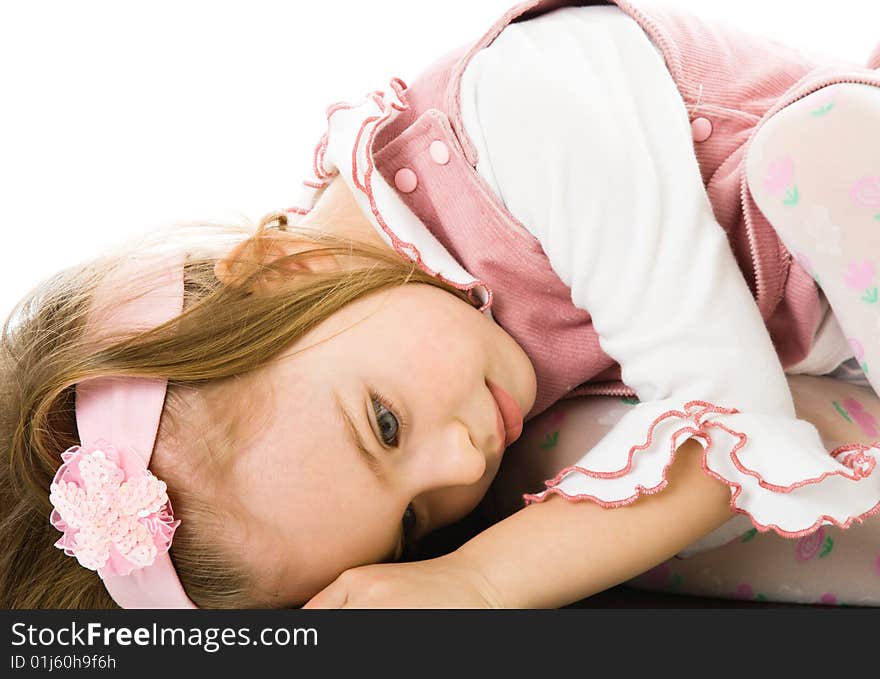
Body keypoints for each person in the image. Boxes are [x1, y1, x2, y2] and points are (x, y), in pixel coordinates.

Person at [2, 0, 880, 609]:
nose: (458, 462)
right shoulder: (426, 340)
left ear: (280, 273)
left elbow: (728, 418)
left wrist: (483, 580)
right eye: (409, 523)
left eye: (384, 425)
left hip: (848, 205)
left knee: (821, 148)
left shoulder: (521, 115)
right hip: (813, 360)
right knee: (547, 478)